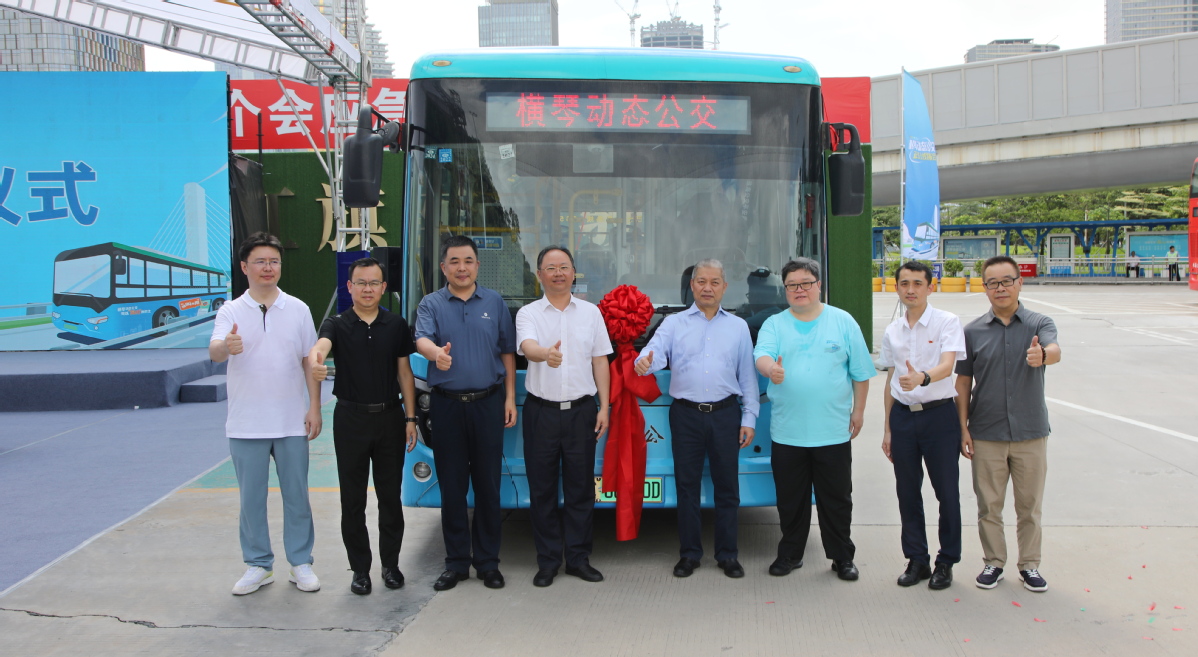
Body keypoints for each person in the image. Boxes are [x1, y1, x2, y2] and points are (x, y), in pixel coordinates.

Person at [210, 232, 322, 596]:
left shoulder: (298, 309)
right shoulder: (230, 311)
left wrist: (315, 406)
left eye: (273, 261)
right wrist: (226, 346)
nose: (268, 268)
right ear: (244, 267)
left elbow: (310, 360)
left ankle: (301, 562)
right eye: (260, 261)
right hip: (246, 424)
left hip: (291, 421)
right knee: (251, 500)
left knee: (297, 495)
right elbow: (214, 350)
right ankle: (258, 564)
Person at [634, 259, 759, 579]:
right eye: (701, 281)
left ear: (724, 287)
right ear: (692, 285)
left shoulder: (738, 327)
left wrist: (750, 417)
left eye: (714, 282)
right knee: (687, 486)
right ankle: (689, 554)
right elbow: (654, 354)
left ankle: (727, 554)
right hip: (686, 415)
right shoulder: (674, 324)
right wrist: (643, 363)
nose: (707, 287)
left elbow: (747, 377)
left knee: (727, 488)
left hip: (725, 414)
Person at [753, 257, 874, 581]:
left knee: (836, 500)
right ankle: (791, 554)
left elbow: (861, 373)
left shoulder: (843, 322)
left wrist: (858, 411)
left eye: (806, 283)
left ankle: (841, 557)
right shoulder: (775, 324)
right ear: (786, 289)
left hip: (832, 432)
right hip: (787, 432)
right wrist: (771, 370)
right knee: (791, 501)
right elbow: (761, 355)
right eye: (792, 285)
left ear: (818, 284)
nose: (799, 290)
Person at [307, 257, 418, 595]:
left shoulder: (396, 325)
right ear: (350, 287)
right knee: (352, 499)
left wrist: (410, 418)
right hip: (350, 420)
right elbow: (320, 347)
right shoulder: (336, 324)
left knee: (389, 498)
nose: (368, 289)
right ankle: (360, 570)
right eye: (361, 283)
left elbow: (404, 373)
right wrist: (316, 361)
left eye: (374, 283)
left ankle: (391, 565)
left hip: (390, 418)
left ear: (384, 288)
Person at [414, 235, 517, 591]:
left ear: (477, 265)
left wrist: (509, 398)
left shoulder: (494, 302)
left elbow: (507, 351)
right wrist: (435, 355)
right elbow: (422, 339)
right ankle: (456, 563)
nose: (462, 268)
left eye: (468, 261)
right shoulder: (431, 303)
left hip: (488, 403)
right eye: (454, 262)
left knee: (489, 486)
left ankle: (488, 562)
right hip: (447, 407)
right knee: (453, 488)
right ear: (444, 267)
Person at [956, 255, 1061, 592]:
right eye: (992, 283)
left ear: (1020, 282)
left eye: (1006, 281)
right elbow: (962, 384)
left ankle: (1029, 565)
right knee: (989, 505)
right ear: (984, 288)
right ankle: (993, 562)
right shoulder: (971, 331)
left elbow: (1055, 349)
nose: (999, 288)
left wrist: (1042, 356)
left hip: (1030, 432)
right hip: (987, 431)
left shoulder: (1038, 323)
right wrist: (963, 428)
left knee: (1029, 505)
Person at [516, 246, 612, 587]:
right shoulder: (528, 313)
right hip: (541, 413)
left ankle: (578, 559)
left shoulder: (591, 314)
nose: (558, 273)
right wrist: (544, 355)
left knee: (580, 489)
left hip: (582, 413)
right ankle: (547, 562)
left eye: (564, 267)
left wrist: (605, 406)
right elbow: (527, 347)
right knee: (541, 491)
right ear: (539, 274)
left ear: (574, 273)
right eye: (550, 268)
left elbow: (601, 360)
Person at [879, 261, 966, 590]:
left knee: (946, 492)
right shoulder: (892, 331)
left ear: (931, 287)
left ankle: (946, 561)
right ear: (897, 288)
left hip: (939, 415)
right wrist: (888, 428)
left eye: (917, 283)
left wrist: (923, 377)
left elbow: (948, 365)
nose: (910, 289)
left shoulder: (947, 322)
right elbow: (890, 378)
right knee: (906, 491)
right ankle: (917, 559)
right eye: (904, 283)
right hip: (903, 417)